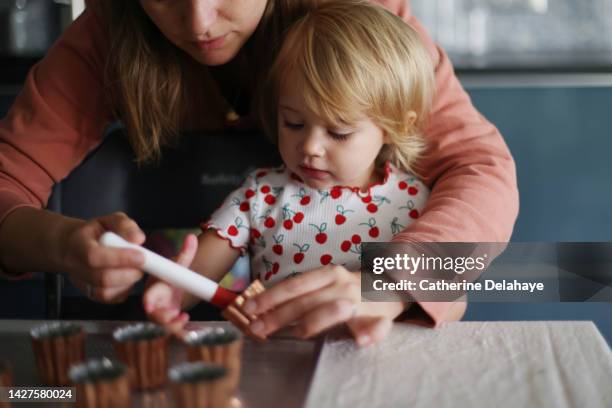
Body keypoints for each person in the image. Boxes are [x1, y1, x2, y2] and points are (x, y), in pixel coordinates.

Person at [0, 0, 518, 329]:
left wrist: (392, 281)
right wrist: (63, 245)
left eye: (338, 131)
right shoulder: (107, 31)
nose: (199, 21)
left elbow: (480, 169)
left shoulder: (364, 21)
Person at [144, 0, 434, 345]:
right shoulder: (260, 195)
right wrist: (170, 293)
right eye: (293, 123)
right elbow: (196, 273)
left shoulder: (416, 203)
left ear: (396, 125)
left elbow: (452, 301)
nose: (310, 146)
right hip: (276, 359)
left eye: (338, 132)